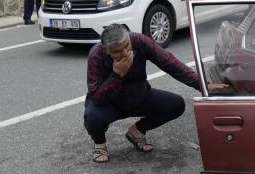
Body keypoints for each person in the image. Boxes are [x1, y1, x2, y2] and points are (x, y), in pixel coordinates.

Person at [84, 24, 202, 164]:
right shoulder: (96, 54)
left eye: (127, 46)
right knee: (92, 116)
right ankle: (99, 144)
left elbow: (170, 63)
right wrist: (117, 75)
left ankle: (137, 131)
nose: (125, 53)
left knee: (176, 104)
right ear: (106, 50)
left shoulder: (139, 41)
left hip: (139, 96)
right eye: (118, 51)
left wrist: (202, 85)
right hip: (110, 104)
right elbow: (96, 97)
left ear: (128, 38)